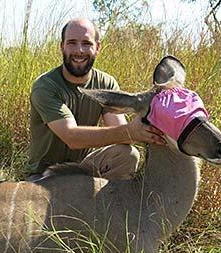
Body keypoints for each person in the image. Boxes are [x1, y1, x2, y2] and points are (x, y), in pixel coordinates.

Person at [26, 18, 165, 182]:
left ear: (98, 47)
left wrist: (147, 127)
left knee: (127, 155)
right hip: (45, 175)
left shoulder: (106, 83)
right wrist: (132, 131)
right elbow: (72, 137)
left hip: (83, 168)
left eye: (87, 43)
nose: (79, 50)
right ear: (62, 46)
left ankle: (107, 205)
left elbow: (122, 133)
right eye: (72, 43)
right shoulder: (45, 86)